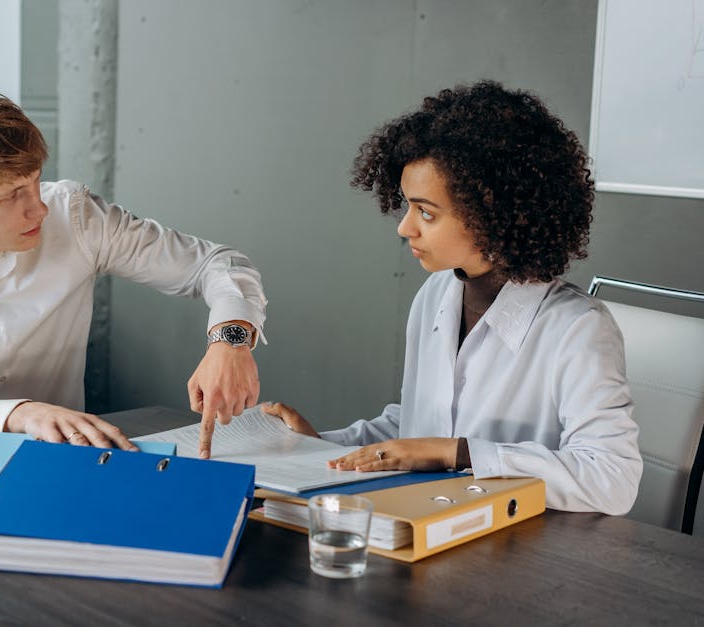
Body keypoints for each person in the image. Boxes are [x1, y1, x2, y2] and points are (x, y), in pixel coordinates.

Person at [263, 81, 642, 515]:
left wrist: (460, 453)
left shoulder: (579, 329)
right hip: (436, 522)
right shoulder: (437, 293)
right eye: (407, 207)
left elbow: (613, 479)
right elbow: (418, 428)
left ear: (494, 216)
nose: (405, 228)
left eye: (426, 212)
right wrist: (319, 444)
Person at [0, 85, 266, 456]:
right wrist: (22, 414)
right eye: (11, 195)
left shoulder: (76, 218)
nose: (38, 206)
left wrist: (230, 339)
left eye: (36, 181)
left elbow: (216, 264)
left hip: (63, 465)